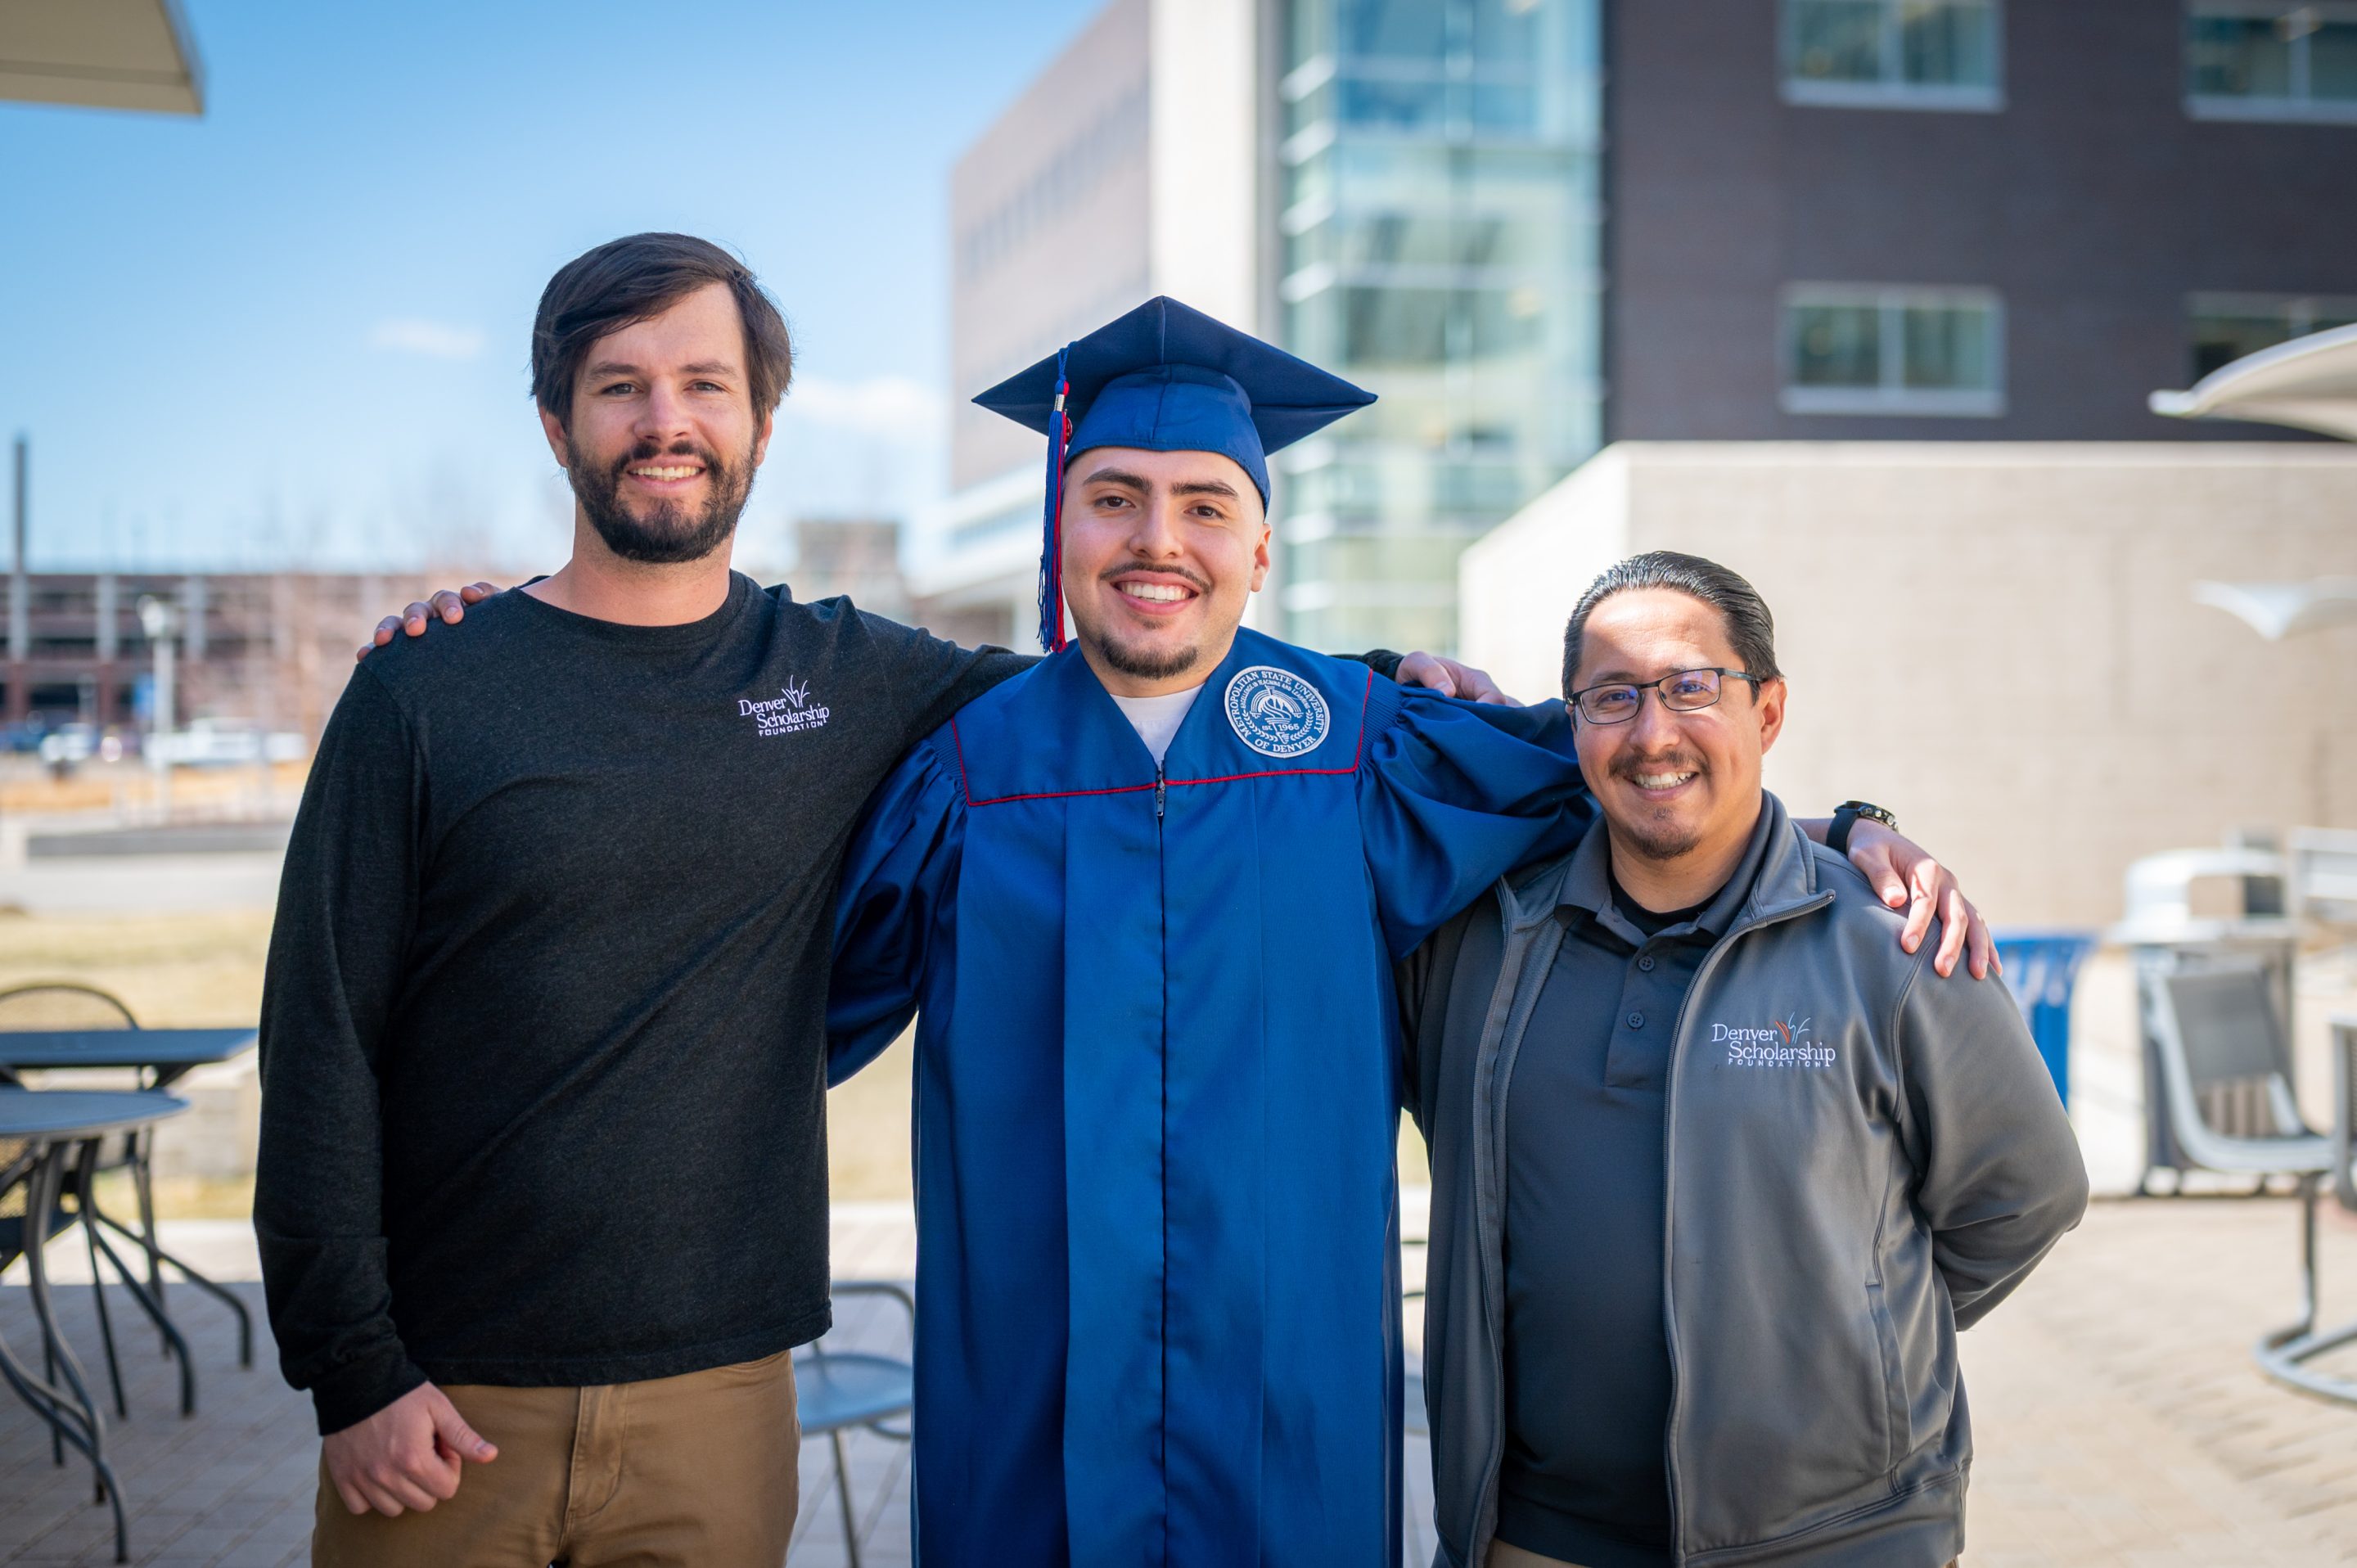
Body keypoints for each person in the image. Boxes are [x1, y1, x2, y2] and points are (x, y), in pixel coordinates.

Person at [822, 302, 1993, 1567]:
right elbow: (793, 1015)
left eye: (1206, 505)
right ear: (1062, 521)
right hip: (1024, 1404)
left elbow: (1636, 783)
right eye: (1115, 498)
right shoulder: (965, 778)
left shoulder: (1359, 743)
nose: (1158, 538)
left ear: (1261, 548)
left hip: (1291, 1402)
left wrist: (1842, 831)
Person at [254, 232, 1054, 1567]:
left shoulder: (842, 677)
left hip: (718, 1405)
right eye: (619, 385)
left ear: (762, 424)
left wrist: (1389, 682)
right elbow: (319, 1035)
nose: (664, 421)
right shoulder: (425, 690)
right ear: (555, 424)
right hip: (445, 1404)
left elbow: (1120, 698)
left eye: (704, 383)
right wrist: (353, 1371)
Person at [1399, 552, 2089, 1568]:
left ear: (1767, 711)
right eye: (1612, 696)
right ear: (1572, 723)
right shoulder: (1480, 942)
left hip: (1838, 1537)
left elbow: (2026, 1193)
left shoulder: (1894, 942)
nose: (1653, 732)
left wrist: (1844, 1335)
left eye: (1692, 686)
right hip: (1536, 1534)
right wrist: (1393, 671)